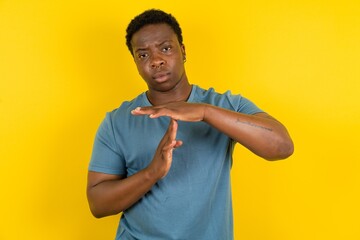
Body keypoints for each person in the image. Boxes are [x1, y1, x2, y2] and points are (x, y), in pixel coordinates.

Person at [87, 9, 294, 240]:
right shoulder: (118, 121)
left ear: (183, 51)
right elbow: (98, 204)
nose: (156, 60)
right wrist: (152, 173)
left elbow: (282, 146)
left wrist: (205, 112)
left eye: (165, 48)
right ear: (135, 61)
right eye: (143, 55)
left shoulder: (224, 105)